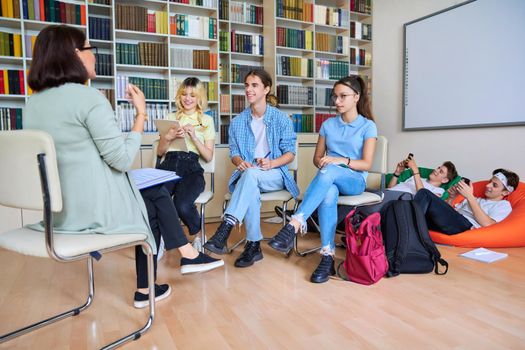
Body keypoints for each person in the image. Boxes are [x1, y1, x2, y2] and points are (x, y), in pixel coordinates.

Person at [23, 25, 222, 310]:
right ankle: (182, 258)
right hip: (93, 214)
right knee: (153, 196)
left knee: (154, 194)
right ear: (74, 55)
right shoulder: (89, 99)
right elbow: (121, 159)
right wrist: (141, 115)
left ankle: (155, 281)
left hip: (57, 214)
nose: (94, 56)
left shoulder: (33, 105)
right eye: (91, 49)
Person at [268, 75, 377, 283]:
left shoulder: (367, 126)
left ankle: (295, 223)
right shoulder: (328, 125)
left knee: (331, 172)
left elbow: (366, 164)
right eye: (335, 97)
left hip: (355, 180)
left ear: (356, 97)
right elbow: (317, 159)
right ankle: (327, 257)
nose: (337, 102)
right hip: (330, 179)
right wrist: (326, 163)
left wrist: (338, 160)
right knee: (328, 191)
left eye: (343, 96)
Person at [203, 69, 299, 268]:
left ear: (266, 89)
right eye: (247, 85)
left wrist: (271, 163)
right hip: (249, 176)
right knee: (250, 183)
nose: (249, 89)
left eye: (254, 85)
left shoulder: (282, 119)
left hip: (275, 174)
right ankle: (253, 246)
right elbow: (234, 153)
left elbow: (290, 153)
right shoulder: (238, 122)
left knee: (251, 176)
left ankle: (226, 227)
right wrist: (240, 162)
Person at [156, 77, 215, 251]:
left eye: (192, 95)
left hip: (192, 167)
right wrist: (168, 138)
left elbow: (208, 156)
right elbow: (160, 153)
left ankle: (198, 234)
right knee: (157, 198)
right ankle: (160, 239)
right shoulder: (170, 118)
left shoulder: (206, 121)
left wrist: (194, 137)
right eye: (184, 94)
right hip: (168, 164)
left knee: (181, 204)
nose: (187, 98)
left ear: (199, 98)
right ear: (179, 96)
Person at [413, 168, 519, 235]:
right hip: (452, 223)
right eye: (490, 182)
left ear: (505, 192)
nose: (488, 185)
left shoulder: (503, 205)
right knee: (405, 204)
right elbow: (449, 215)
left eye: (494, 185)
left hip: (465, 226)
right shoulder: (478, 199)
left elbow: (488, 224)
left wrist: (470, 197)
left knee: (424, 193)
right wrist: (451, 197)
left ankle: (410, 233)